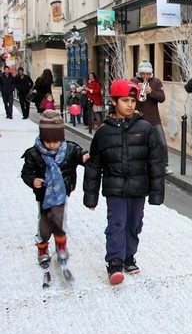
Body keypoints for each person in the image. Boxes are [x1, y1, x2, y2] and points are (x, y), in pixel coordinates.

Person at [84, 79, 165, 285]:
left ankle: (129, 255)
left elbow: (155, 162)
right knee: (116, 223)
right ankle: (115, 261)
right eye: (125, 100)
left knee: (134, 224)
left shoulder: (145, 128)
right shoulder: (103, 132)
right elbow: (94, 165)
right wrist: (90, 196)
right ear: (114, 101)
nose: (130, 104)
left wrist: (156, 192)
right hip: (115, 188)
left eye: (133, 100)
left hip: (138, 188)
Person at [21, 110, 89, 269]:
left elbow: (80, 155)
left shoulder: (70, 149)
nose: (52, 145)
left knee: (58, 222)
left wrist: (84, 156)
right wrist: (32, 180)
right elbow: (26, 172)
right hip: (43, 196)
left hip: (61, 194)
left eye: (56, 141)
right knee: (45, 225)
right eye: (48, 141)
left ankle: (61, 246)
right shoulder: (33, 153)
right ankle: (43, 247)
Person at [131, 60, 172, 175]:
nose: (145, 76)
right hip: (137, 118)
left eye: (147, 74)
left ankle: (165, 165)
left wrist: (151, 91)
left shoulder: (156, 82)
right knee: (137, 143)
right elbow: (128, 96)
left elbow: (162, 98)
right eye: (143, 74)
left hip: (153, 118)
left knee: (161, 142)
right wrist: (136, 91)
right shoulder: (133, 81)